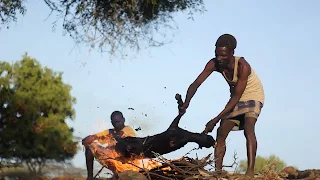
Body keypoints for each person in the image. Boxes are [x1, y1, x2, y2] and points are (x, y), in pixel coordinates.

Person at [179, 34, 264, 177]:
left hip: (252, 96)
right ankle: (217, 172)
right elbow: (196, 84)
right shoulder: (214, 64)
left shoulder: (243, 66)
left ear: (232, 53)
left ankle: (250, 172)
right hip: (236, 98)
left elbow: (237, 97)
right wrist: (186, 104)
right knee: (221, 132)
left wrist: (215, 119)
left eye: (223, 55)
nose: (219, 58)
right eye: (217, 54)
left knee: (249, 128)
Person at [82, 111, 136, 180]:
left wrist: (99, 137)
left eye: (118, 122)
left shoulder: (128, 130)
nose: (117, 125)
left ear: (123, 120)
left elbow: (119, 135)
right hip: (112, 160)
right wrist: (90, 138)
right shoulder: (110, 131)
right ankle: (90, 177)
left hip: (126, 163)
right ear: (112, 123)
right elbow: (96, 136)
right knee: (90, 147)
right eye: (114, 123)